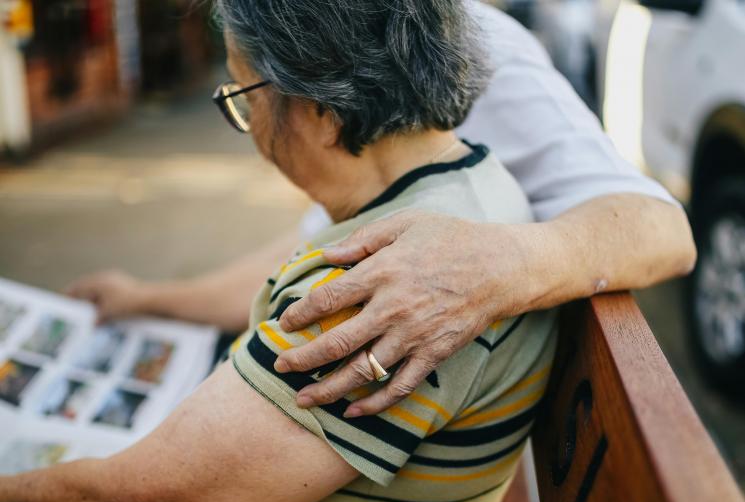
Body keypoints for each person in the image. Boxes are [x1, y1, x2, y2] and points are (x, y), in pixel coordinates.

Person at [1, 1, 559, 502]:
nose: (249, 126)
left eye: (244, 94)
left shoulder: (387, 285)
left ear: (321, 110)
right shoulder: (455, 189)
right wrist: (149, 296)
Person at [68, 1, 696, 419]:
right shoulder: (340, 31)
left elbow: (663, 229)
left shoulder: (468, 40)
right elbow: (303, 253)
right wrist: (146, 298)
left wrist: (485, 267)